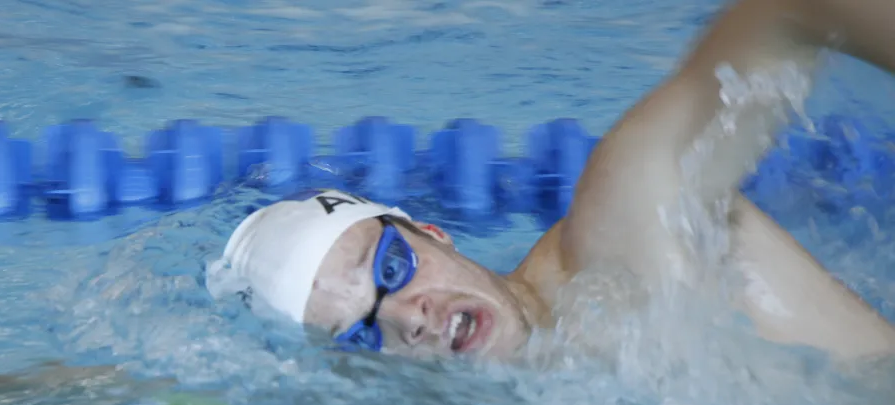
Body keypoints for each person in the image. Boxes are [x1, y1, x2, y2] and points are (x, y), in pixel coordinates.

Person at [207, 0, 895, 364]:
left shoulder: (623, 231)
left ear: (433, 231)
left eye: (392, 266)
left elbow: (792, 12)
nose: (406, 317)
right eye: (360, 334)